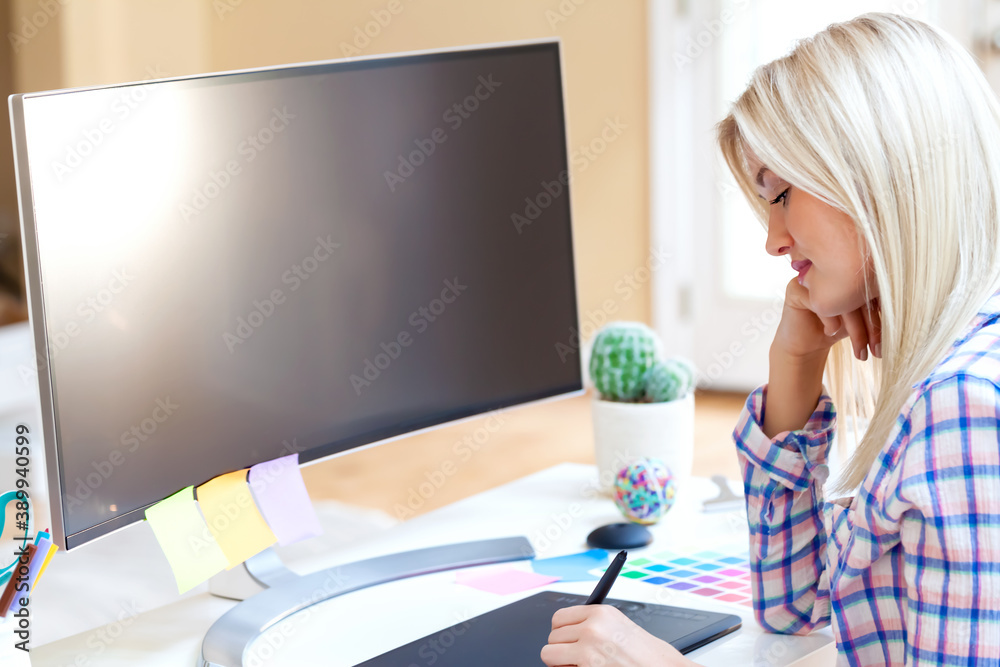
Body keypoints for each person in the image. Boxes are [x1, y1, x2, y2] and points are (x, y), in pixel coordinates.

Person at [541, 12, 1000, 667]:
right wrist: (795, 364)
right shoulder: (951, 369)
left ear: (881, 173)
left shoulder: (964, 406)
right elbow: (797, 609)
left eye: (781, 194)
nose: (773, 239)